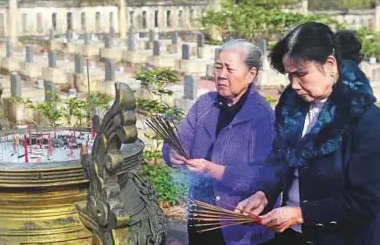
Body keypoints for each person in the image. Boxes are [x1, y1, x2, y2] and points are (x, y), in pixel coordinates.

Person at [236, 22, 380, 245]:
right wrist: (263, 194)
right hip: (292, 235)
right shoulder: (292, 110)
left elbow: (366, 201)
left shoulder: (365, 120)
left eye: (301, 74)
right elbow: (278, 160)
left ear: (330, 65)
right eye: (289, 75)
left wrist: (300, 213)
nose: (294, 85)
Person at [162, 39, 277, 245]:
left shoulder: (261, 116)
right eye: (218, 67)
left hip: (238, 226)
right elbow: (178, 140)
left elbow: (263, 177)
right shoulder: (205, 104)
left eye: (230, 69)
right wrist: (172, 152)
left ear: (251, 74)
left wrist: (214, 170)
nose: (222, 75)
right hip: (200, 217)